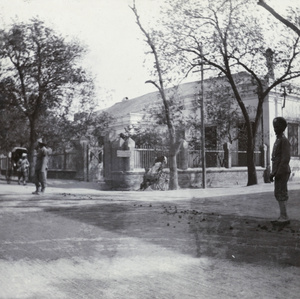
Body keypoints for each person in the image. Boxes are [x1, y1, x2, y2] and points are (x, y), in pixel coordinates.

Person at [269, 117, 291, 225]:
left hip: (282, 171)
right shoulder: (278, 140)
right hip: (278, 171)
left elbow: (285, 159)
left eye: (277, 127)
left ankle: (284, 217)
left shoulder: (284, 141)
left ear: (282, 128)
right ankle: (282, 215)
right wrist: (273, 173)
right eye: (274, 126)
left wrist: (277, 173)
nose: (275, 129)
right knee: (278, 193)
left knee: (281, 192)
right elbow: (276, 159)